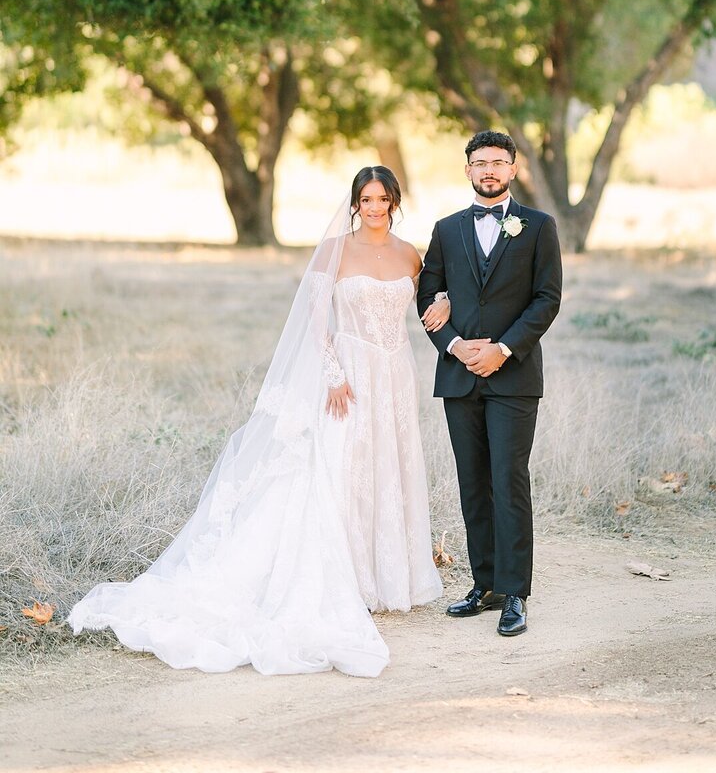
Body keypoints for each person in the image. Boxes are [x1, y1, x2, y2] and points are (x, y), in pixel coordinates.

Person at [69, 167, 447, 677]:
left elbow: (426, 305)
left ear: (395, 201)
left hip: (395, 376)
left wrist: (442, 302)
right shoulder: (333, 250)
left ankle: (389, 579)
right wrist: (334, 374)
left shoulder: (410, 254)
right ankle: (350, 581)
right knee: (345, 467)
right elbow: (317, 320)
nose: (375, 206)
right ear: (355, 203)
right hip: (350, 375)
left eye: (383, 198)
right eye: (366, 198)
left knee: (389, 466)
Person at [417, 131, 562, 637]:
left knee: (508, 479)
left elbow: (547, 299)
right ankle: (485, 584)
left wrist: (501, 350)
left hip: (514, 375)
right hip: (458, 374)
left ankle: (516, 593)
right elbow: (427, 295)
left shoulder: (539, 227)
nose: (489, 171)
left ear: (513, 168)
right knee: (472, 481)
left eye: (498, 162)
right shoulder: (446, 229)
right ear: (468, 170)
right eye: (480, 163)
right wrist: (456, 347)